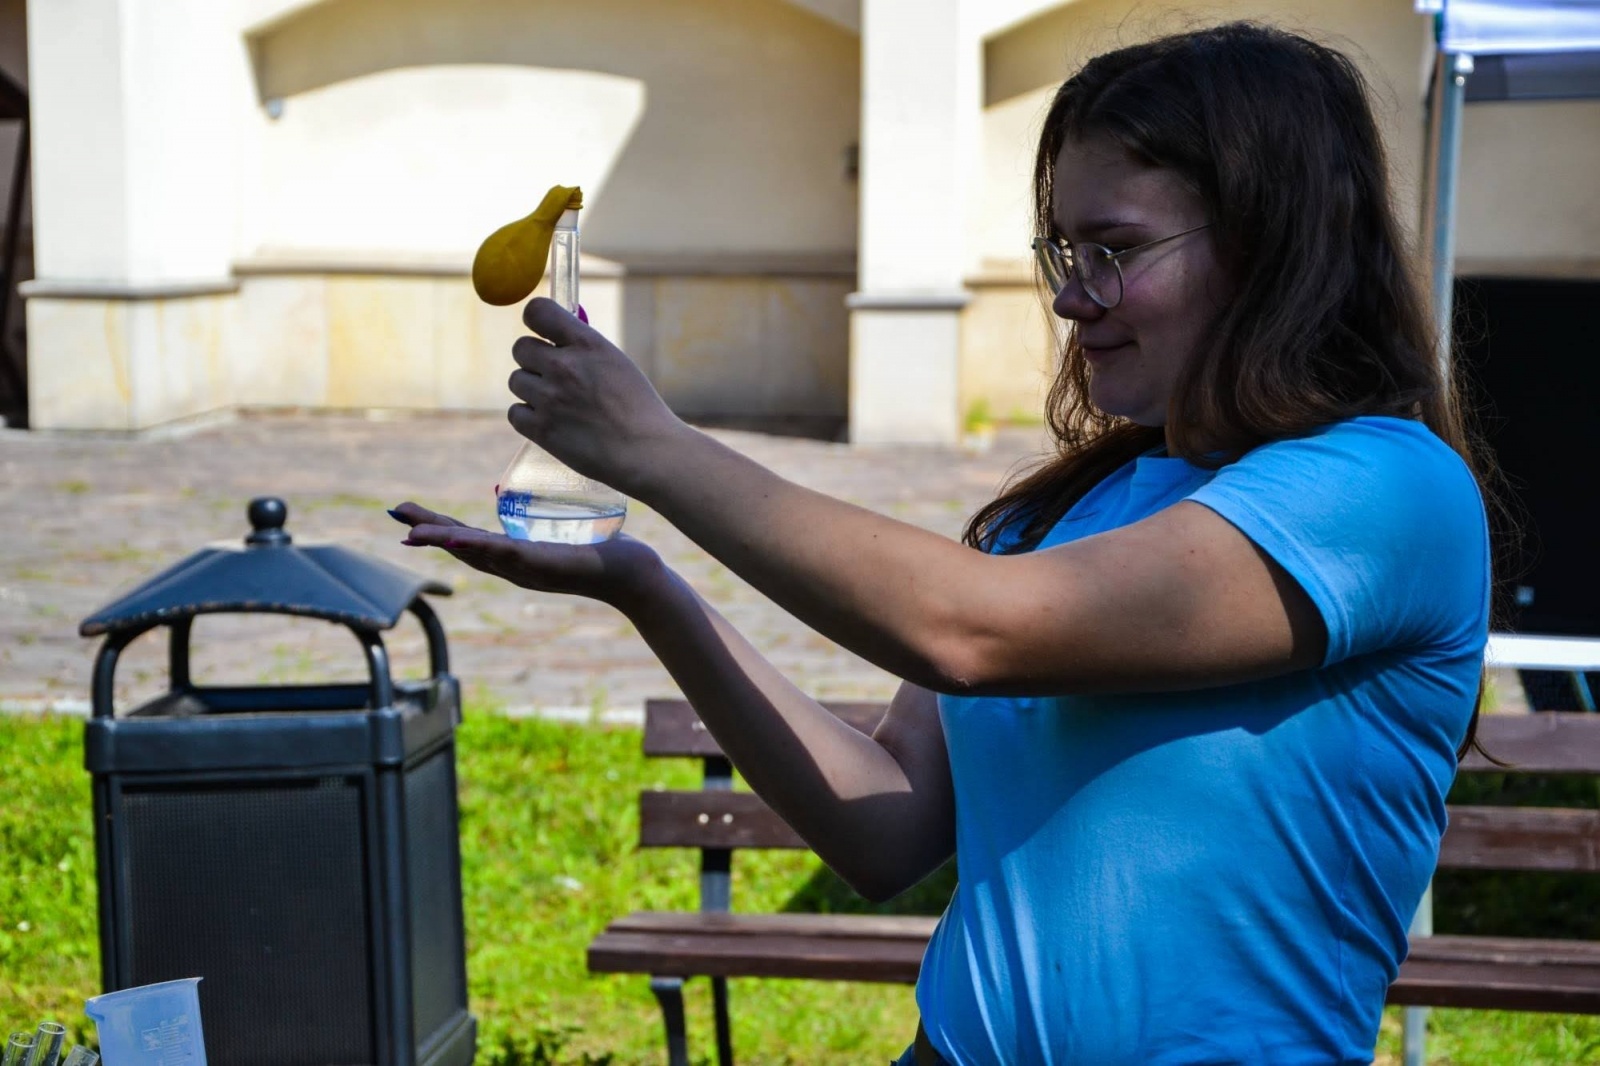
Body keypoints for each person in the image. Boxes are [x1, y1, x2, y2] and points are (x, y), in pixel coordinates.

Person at [392, 21, 1493, 1065]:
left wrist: (659, 452)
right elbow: (883, 828)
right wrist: (648, 587)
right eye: (1064, 248)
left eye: (1114, 249)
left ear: (1270, 245)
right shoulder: (1058, 514)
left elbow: (969, 630)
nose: (1070, 296)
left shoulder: (1385, 490)